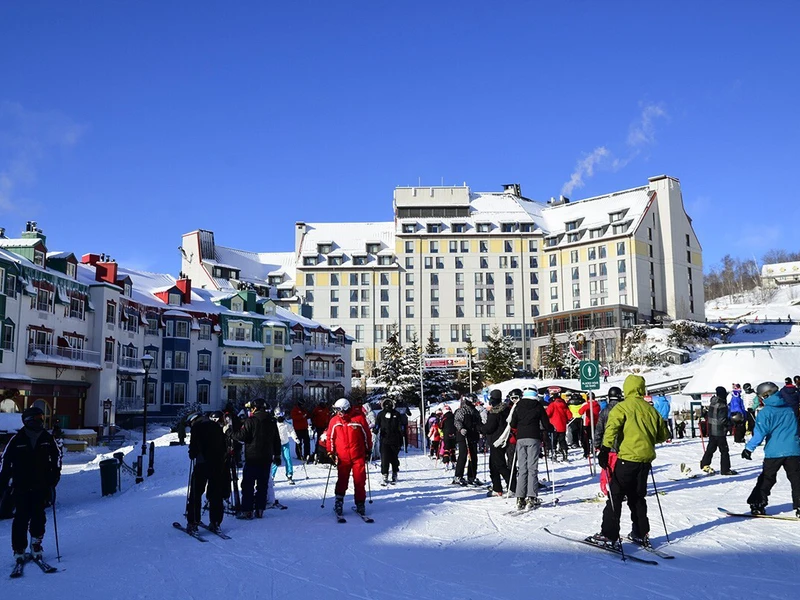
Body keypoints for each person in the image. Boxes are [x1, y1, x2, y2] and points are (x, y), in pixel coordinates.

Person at [589, 375, 670, 549]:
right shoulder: (651, 410)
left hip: (627, 458)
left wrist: (604, 449)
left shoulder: (622, 407)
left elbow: (611, 429)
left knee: (615, 495)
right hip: (645, 460)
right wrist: (646, 439)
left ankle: (609, 534)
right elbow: (663, 435)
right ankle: (640, 533)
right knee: (637, 497)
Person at [0, 407, 62, 564]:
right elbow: (5, 463)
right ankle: (19, 549)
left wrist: (54, 478)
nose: (41, 420)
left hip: (41, 486)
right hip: (21, 486)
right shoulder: (17, 440)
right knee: (21, 517)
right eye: (37, 418)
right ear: (28, 421)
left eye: (42, 417)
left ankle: (36, 544)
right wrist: (4, 483)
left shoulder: (47, 438)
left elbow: (57, 458)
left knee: (39, 516)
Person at [742, 381, 800, 517]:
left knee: (767, 478)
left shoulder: (766, 412)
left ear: (765, 396)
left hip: (774, 452)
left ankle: (758, 504)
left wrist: (749, 448)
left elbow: (760, 433)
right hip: (793, 450)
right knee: (797, 479)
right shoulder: (789, 409)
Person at [227, 399, 281, 519]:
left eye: (251, 408)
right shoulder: (271, 421)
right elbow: (276, 440)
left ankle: (247, 510)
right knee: (262, 485)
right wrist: (277, 455)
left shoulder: (250, 421)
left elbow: (242, 436)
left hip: (252, 457)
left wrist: (229, 432)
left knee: (248, 485)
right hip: (266, 458)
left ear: (255, 408)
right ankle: (260, 509)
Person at [326, 398, 372, 517]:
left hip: (358, 456)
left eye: (340, 410)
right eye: (336, 410)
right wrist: (330, 451)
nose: (338, 413)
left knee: (360, 480)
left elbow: (367, 434)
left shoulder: (358, 419)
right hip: (343, 457)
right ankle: (339, 501)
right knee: (342, 480)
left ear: (346, 408)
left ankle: (360, 503)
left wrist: (368, 449)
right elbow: (330, 436)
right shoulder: (334, 421)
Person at [185, 411, 229, 533]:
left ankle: (193, 522)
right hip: (217, 464)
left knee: (196, 492)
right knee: (216, 493)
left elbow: (194, 446)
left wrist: (192, 454)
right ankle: (215, 522)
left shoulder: (197, 427)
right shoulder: (215, 426)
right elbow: (223, 444)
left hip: (202, 464)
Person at [510, 389, 550, 510]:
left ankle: (520, 497)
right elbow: (545, 423)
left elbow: (512, 424)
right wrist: (550, 429)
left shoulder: (518, 405)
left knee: (522, 468)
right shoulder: (537, 405)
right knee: (532, 468)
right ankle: (531, 496)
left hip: (521, 438)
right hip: (533, 437)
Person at [700, 387, 736, 475]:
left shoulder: (713, 402)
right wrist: (730, 423)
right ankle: (725, 469)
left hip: (712, 429)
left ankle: (704, 464)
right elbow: (722, 420)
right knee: (724, 451)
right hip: (719, 431)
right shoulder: (722, 405)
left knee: (711, 449)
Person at [594, 386, 623, 497]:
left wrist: (597, 444)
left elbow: (599, 429)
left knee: (606, 468)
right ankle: (618, 489)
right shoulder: (623, 410)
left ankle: (605, 487)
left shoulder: (604, 411)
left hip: (606, 446)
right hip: (620, 446)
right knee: (618, 469)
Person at [481, 390, 511, 497]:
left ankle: (512, 486)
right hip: (502, 440)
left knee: (499, 465)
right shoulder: (506, 409)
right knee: (494, 465)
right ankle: (497, 488)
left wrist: (479, 427)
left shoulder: (495, 412)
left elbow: (489, 428)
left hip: (496, 441)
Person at [453, 395, 482, 486]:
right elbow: (457, 421)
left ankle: (472, 476)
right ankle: (458, 476)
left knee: (473, 457)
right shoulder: (462, 410)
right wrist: (461, 428)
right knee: (463, 455)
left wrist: (481, 430)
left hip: (473, 436)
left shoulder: (475, 411)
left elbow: (479, 422)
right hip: (464, 436)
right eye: (473, 401)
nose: (475, 403)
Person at [377, 399, 403, 485]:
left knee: (394, 458)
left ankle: (394, 473)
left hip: (395, 439)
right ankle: (385, 474)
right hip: (384, 440)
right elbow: (377, 424)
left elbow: (400, 425)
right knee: (385, 458)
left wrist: (402, 432)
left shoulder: (396, 414)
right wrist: (376, 429)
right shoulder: (381, 414)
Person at [273, 406, 299, 485]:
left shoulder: (286, 423)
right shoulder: (273, 424)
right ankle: (271, 476)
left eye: (282, 413)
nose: (280, 416)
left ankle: (289, 474)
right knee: (276, 460)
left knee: (288, 458)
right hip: (276, 444)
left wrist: (295, 438)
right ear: (275, 414)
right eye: (278, 414)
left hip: (285, 443)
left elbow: (291, 431)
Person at [545, 391, 571, 462]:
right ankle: (565, 455)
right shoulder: (564, 405)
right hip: (562, 426)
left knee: (553, 440)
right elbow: (569, 415)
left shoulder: (552, 405)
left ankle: (554, 455)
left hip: (554, 426)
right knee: (562, 440)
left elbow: (547, 414)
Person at [579, 393, 601, 459]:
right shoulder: (597, 405)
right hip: (596, 423)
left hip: (587, 423)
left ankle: (587, 452)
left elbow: (580, 412)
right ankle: (594, 449)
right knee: (594, 437)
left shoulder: (586, 405)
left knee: (586, 439)